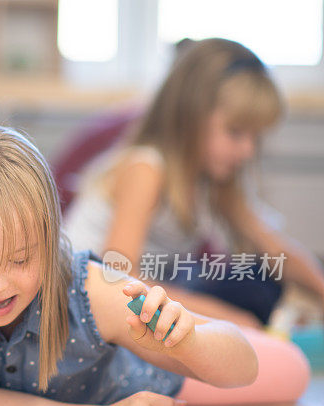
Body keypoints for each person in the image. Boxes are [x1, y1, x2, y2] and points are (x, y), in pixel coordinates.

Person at [0, 126, 309, 406]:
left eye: (20, 260)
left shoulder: (94, 290)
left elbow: (243, 368)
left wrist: (189, 338)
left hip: (125, 381)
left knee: (292, 370)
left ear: (50, 240)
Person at [63, 38, 324, 329]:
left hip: (149, 289)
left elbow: (276, 248)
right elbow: (118, 278)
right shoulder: (145, 168)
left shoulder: (214, 182)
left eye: (255, 137)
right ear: (190, 118)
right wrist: (228, 319)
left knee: (261, 279)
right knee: (238, 305)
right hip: (90, 304)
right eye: (236, 133)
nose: (248, 151)